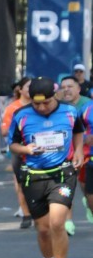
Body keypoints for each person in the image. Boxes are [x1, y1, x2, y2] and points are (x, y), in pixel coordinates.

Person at [8, 77, 85, 258]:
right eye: (37, 104)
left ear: (55, 96)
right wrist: (26, 150)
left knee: (57, 223)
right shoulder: (21, 115)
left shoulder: (70, 111)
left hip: (62, 174)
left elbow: (78, 131)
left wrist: (78, 150)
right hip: (34, 177)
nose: (42, 107)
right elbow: (13, 144)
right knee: (43, 229)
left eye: (46, 103)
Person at [58, 75, 92, 235]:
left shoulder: (86, 105)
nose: (66, 90)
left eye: (70, 87)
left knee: (85, 187)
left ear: (78, 89)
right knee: (66, 185)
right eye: (63, 87)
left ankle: (88, 202)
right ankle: (68, 221)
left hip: (85, 154)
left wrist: (85, 139)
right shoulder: (56, 106)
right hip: (64, 154)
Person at [1, 77, 33, 228]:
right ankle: (26, 214)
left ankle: (39, 211)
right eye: (28, 86)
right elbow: (4, 131)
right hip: (19, 150)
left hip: (37, 150)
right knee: (20, 183)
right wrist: (21, 129)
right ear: (20, 89)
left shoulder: (39, 105)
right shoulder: (13, 108)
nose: (31, 89)